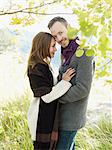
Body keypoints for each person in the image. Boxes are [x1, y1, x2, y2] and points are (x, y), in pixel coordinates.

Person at [48, 17, 95, 150]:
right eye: (55, 36)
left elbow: (82, 88)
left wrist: (57, 97)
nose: (58, 39)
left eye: (61, 33)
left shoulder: (85, 51)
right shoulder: (66, 51)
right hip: (61, 117)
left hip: (72, 118)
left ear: (69, 27)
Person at [27, 32, 75, 150]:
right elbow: (46, 96)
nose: (55, 49)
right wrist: (64, 82)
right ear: (43, 46)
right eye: (53, 46)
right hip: (41, 120)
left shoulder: (44, 65)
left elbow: (51, 88)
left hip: (47, 117)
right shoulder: (36, 67)